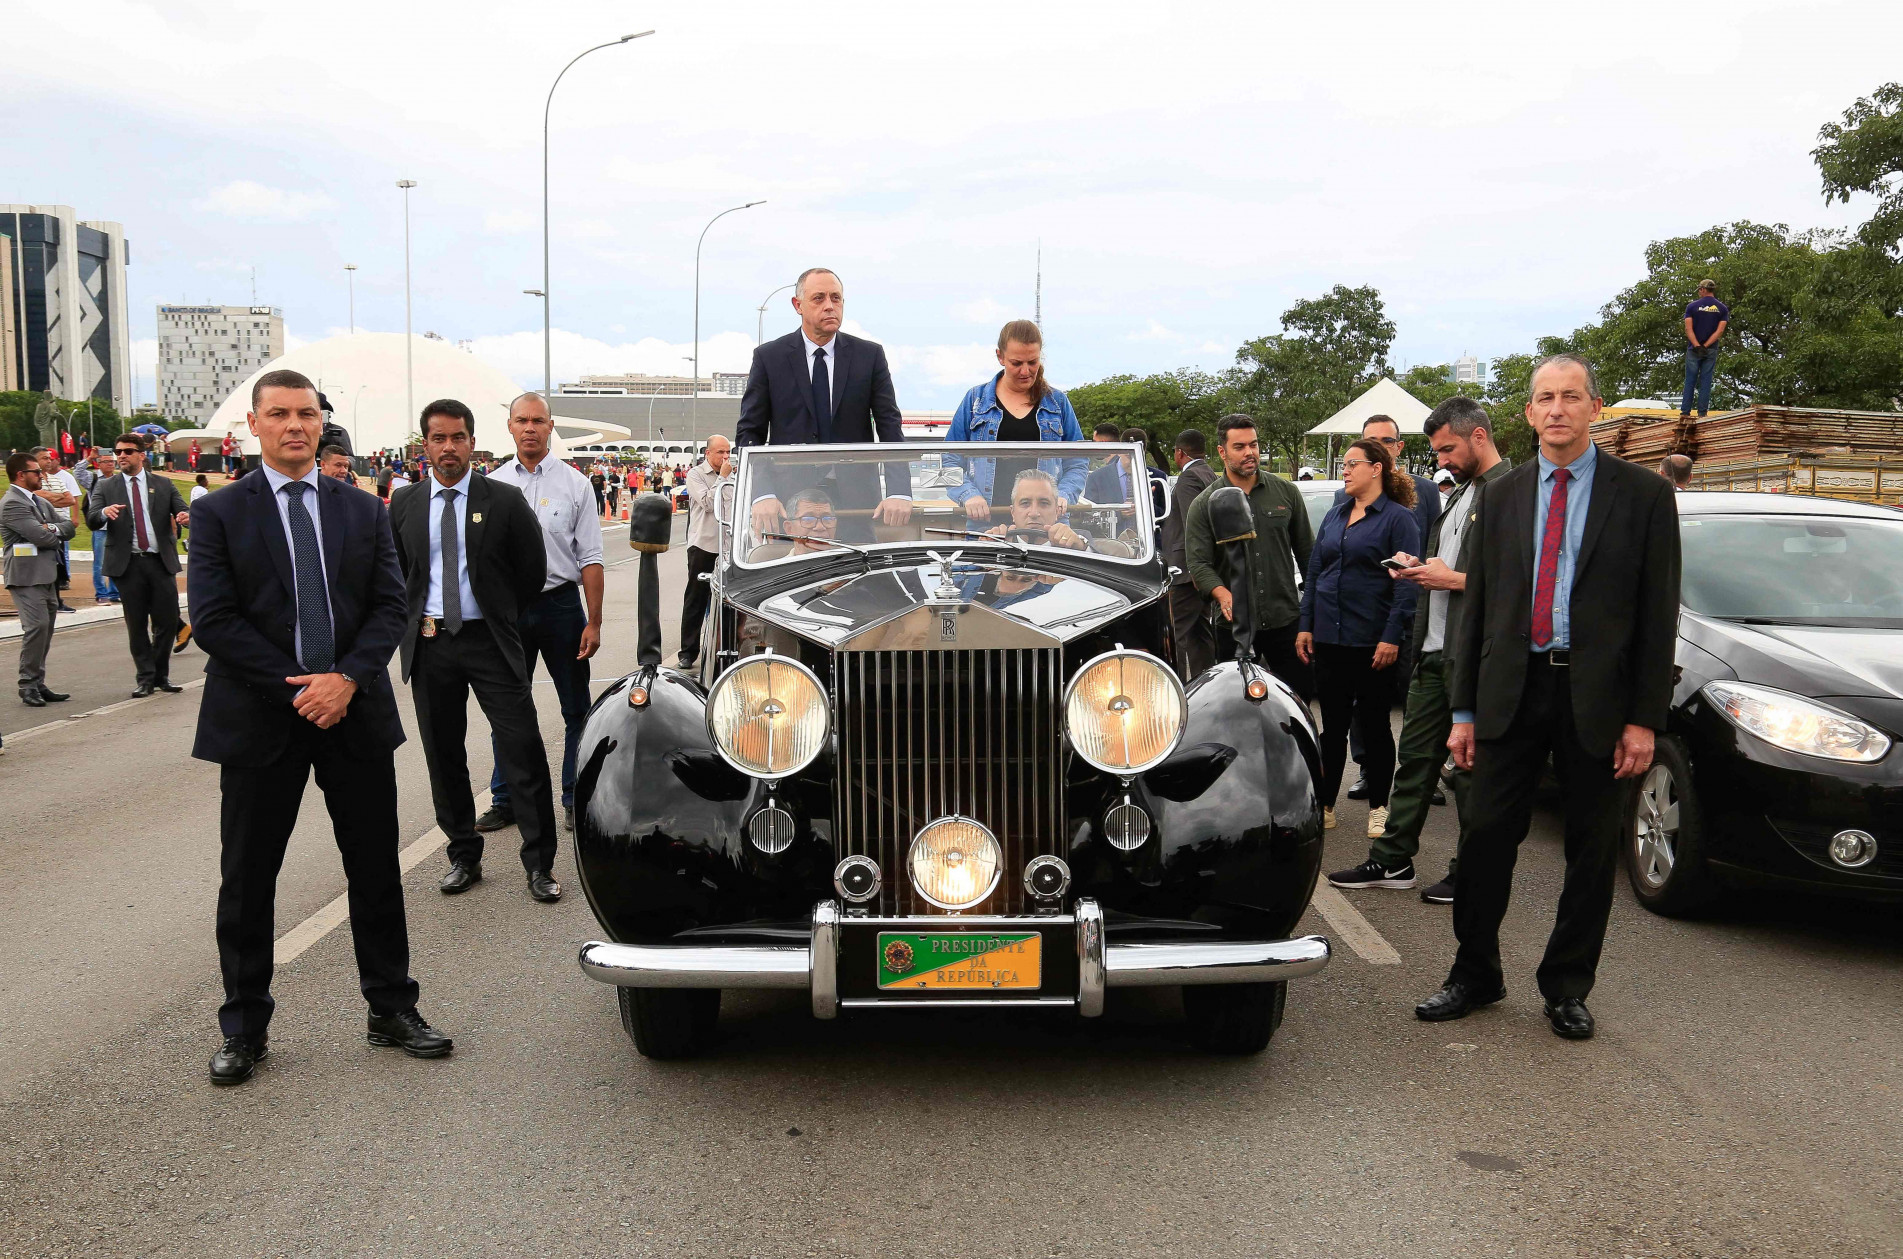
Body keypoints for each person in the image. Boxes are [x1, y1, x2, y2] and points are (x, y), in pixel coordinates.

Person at [188, 367, 449, 1085]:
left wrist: (346, 680)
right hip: (258, 718)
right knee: (248, 880)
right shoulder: (218, 513)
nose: (295, 425)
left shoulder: (363, 510)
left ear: (319, 421)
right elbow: (213, 619)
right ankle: (244, 1027)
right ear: (255, 422)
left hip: (353, 711)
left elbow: (389, 607)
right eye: (280, 414)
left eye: (306, 413)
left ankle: (390, 1008)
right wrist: (302, 688)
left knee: (374, 870)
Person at [1416, 354, 1681, 1041]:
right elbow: (1476, 611)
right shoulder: (1500, 496)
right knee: (1482, 842)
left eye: (1570, 396)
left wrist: (1642, 720)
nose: (1556, 408)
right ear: (1528, 413)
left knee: (1591, 852)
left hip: (1596, 698)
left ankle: (1566, 985)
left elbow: (1657, 618)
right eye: (1543, 398)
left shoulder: (1643, 496)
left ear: (1594, 407)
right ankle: (1474, 972)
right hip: (1512, 690)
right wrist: (1463, 710)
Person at [1329, 397, 1509, 901]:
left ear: (1478, 436)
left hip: (1475, 654)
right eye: (1437, 451)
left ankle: (1468, 871)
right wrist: (1421, 564)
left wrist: (1451, 579)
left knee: (1470, 770)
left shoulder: (1511, 492)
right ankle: (1391, 861)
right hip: (1433, 648)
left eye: (1448, 448)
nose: (1442, 461)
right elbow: (1452, 563)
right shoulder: (1461, 493)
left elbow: (1524, 584)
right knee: (1413, 760)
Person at [389, 399, 562, 904]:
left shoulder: (504, 500)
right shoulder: (405, 503)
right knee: (444, 754)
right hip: (430, 643)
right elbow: (399, 572)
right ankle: (464, 855)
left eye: (458, 437)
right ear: (425, 445)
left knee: (522, 748)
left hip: (490, 641)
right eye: (439, 438)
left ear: (472, 441)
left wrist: (500, 614)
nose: (449, 448)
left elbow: (531, 571)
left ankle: (539, 864)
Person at [475, 393, 604, 837]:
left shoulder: (575, 484)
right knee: (506, 708)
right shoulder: (489, 486)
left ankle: (573, 796)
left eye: (538, 421)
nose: (530, 428)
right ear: (509, 427)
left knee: (576, 709)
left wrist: (594, 620)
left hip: (560, 608)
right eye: (521, 421)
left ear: (551, 428)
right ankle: (505, 798)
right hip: (509, 613)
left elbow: (590, 557)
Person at [1297, 438, 1420, 836]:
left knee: (1374, 724)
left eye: (1352, 463)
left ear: (1377, 468)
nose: (1345, 470)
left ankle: (1380, 806)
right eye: (1344, 464)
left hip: (1373, 641)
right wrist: (1306, 624)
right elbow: (1315, 574)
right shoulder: (1335, 515)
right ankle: (1327, 803)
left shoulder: (1399, 520)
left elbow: (1406, 585)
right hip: (1330, 637)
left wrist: (1392, 636)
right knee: (1331, 726)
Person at [736, 267, 910, 538]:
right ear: (798, 305)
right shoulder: (769, 358)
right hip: (789, 503)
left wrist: (899, 491)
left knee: (859, 576)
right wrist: (761, 494)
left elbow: (889, 425)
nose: (830, 306)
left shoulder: (870, 356)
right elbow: (750, 432)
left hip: (857, 503)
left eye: (836, 298)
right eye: (819, 298)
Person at [1341, 415, 1441, 800]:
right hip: (1365, 617)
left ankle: (1419, 774)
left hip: (1414, 609)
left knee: (1417, 693)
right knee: (1364, 700)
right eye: (1371, 440)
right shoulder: (1345, 496)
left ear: (1399, 446)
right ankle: (1368, 768)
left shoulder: (1427, 491)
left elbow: (1433, 548)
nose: (1380, 445)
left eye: (1387, 439)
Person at [1184, 414, 1315, 698]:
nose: (1249, 453)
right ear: (1222, 452)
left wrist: (1311, 615)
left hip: (1285, 621)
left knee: (1297, 700)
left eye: (1254, 445)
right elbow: (1198, 563)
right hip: (1233, 627)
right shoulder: (1204, 503)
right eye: (1240, 447)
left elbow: (1308, 556)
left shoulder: (1286, 492)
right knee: (1237, 706)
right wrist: (1221, 593)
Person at [944, 320, 1087, 521]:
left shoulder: (1059, 403)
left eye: (1033, 362)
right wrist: (969, 495)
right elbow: (949, 460)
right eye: (1016, 363)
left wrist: (1064, 495)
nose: (1025, 371)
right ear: (1000, 357)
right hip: (985, 524)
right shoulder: (974, 400)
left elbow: (1078, 461)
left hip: (1048, 525)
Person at [85, 433, 189, 697]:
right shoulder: (106, 486)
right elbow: (92, 519)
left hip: (160, 562)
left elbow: (184, 510)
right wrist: (103, 513)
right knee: (137, 623)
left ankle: (160, 675)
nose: (121, 456)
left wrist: (186, 516)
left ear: (142, 455)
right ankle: (145, 678)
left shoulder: (163, 484)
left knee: (166, 622)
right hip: (128, 565)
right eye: (118, 452)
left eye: (127, 451)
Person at [4, 451, 77, 707]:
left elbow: (69, 527)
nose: (42, 475)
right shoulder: (12, 503)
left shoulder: (40, 502)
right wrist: (50, 531)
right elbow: (42, 538)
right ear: (21, 475)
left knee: (45, 630)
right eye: (37, 472)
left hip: (46, 574)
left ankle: (37, 681)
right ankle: (27, 685)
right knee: (36, 628)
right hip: (26, 576)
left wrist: (51, 528)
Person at [1161, 428, 1219, 680]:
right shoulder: (1211, 475)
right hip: (1203, 568)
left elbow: (1191, 525)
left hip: (1187, 570)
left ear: (1179, 453)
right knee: (1199, 632)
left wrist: (1196, 568)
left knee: (1174, 636)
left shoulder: (1188, 479)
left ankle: (1175, 694)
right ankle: (1203, 687)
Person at [982, 468, 1135, 556]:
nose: (1034, 512)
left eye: (1044, 503)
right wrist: (987, 550)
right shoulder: (993, 539)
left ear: (1057, 511)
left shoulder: (1081, 541)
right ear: (1013, 512)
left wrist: (1081, 547)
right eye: (1025, 503)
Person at [679, 434, 732, 668]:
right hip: (704, 544)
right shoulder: (696, 475)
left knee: (728, 601)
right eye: (720, 452)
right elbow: (708, 503)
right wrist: (722, 478)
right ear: (708, 453)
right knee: (696, 599)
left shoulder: (735, 476)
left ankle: (726, 648)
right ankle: (688, 652)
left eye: (728, 452)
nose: (725, 456)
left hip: (729, 546)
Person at [34, 448, 82, 613]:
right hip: (42, 528)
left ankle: (56, 601)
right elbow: (36, 498)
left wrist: (47, 497)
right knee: (45, 565)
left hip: (58, 528)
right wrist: (55, 497)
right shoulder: (32, 481)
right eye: (44, 458)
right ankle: (45, 603)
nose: (48, 461)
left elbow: (69, 500)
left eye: (50, 458)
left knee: (57, 564)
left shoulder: (57, 478)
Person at [1680, 280, 1729, 420]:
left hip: (1693, 350)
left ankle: (1685, 413)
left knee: (1690, 380)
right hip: (1710, 350)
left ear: (1702, 289)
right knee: (1706, 380)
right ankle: (1702, 414)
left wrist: (1697, 346)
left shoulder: (1692, 307)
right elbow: (1719, 331)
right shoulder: (1722, 308)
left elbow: (1688, 328)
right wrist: (1706, 346)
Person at [81, 450, 120, 604]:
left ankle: (114, 592)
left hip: (117, 525)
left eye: (112, 461)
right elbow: (78, 472)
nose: (110, 464)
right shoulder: (93, 478)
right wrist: (89, 458)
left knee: (117, 560)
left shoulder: (119, 479)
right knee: (100, 562)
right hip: (100, 525)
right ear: (99, 463)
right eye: (106, 461)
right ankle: (101, 592)